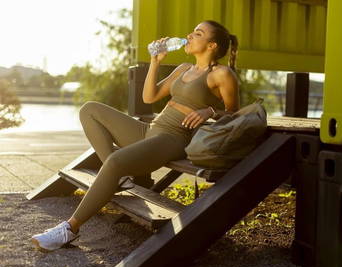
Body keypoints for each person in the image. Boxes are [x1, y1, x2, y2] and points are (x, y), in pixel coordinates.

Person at [31, 20, 240, 251]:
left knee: (115, 161)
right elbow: (149, 97)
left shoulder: (222, 74)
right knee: (89, 110)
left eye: (197, 33)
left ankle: (69, 229)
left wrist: (209, 110)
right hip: (149, 131)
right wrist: (154, 61)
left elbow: (234, 114)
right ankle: (118, 178)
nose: (189, 35)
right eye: (192, 31)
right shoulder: (182, 69)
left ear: (211, 45)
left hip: (173, 139)